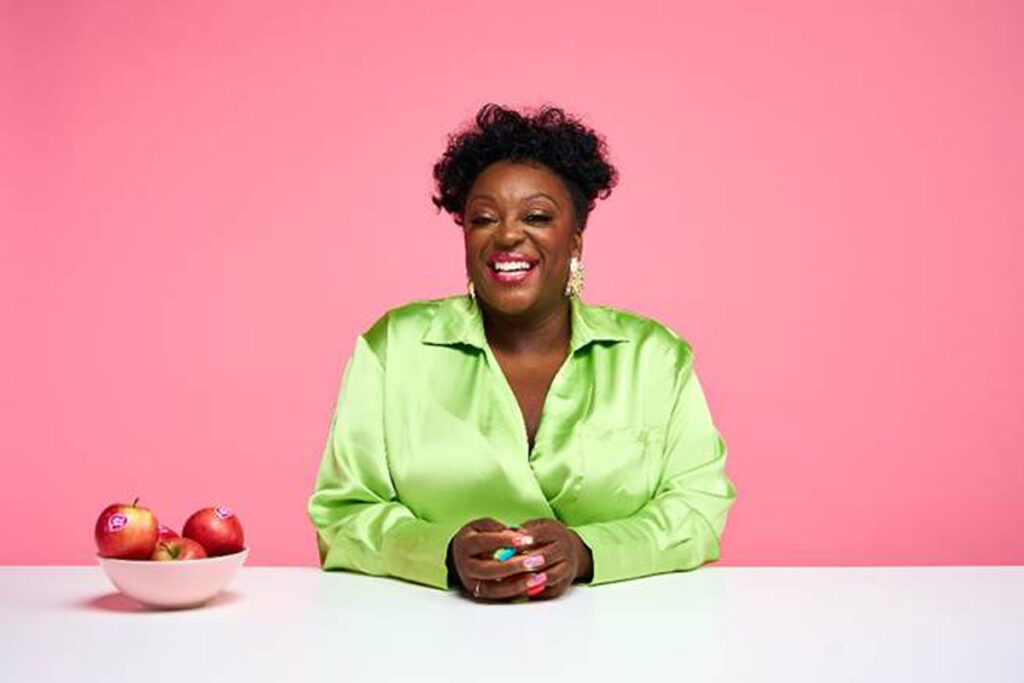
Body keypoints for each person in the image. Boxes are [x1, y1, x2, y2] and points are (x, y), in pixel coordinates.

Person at [306, 103, 737, 602]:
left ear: (575, 240)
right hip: (428, 640)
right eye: (483, 218)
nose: (507, 235)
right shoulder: (393, 347)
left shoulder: (654, 357)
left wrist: (585, 551)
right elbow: (341, 515)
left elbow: (700, 509)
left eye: (536, 216)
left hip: (623, 641)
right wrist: (443, 552)